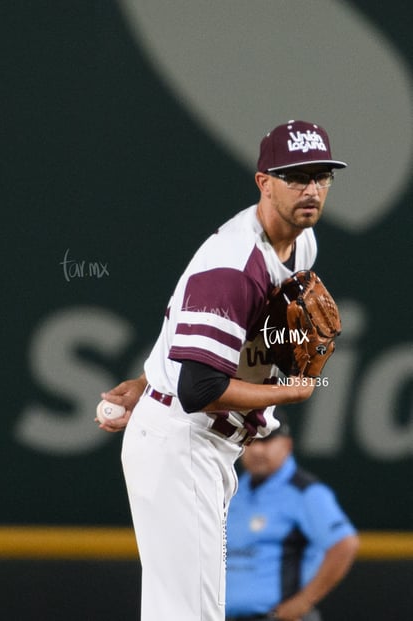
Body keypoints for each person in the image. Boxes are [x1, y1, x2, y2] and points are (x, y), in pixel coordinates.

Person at [97, 120, 348, 621]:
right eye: (296, 176)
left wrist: (148, 382)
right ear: (264, 182)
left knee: (183, 611)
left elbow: (212, 342)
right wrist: (290, 394)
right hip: (182, 440)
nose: (311, 189)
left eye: (321, 176)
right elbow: (198, 387)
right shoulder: (233, 264)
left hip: (200, 443)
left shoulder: (303, 242)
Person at [225, 412, 359, 621]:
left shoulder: (306, 492)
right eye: (252, 440)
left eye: (268, 441)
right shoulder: (232, 490)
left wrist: (303, 602)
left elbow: (344, 544)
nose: (258, 449)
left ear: (287, 445)